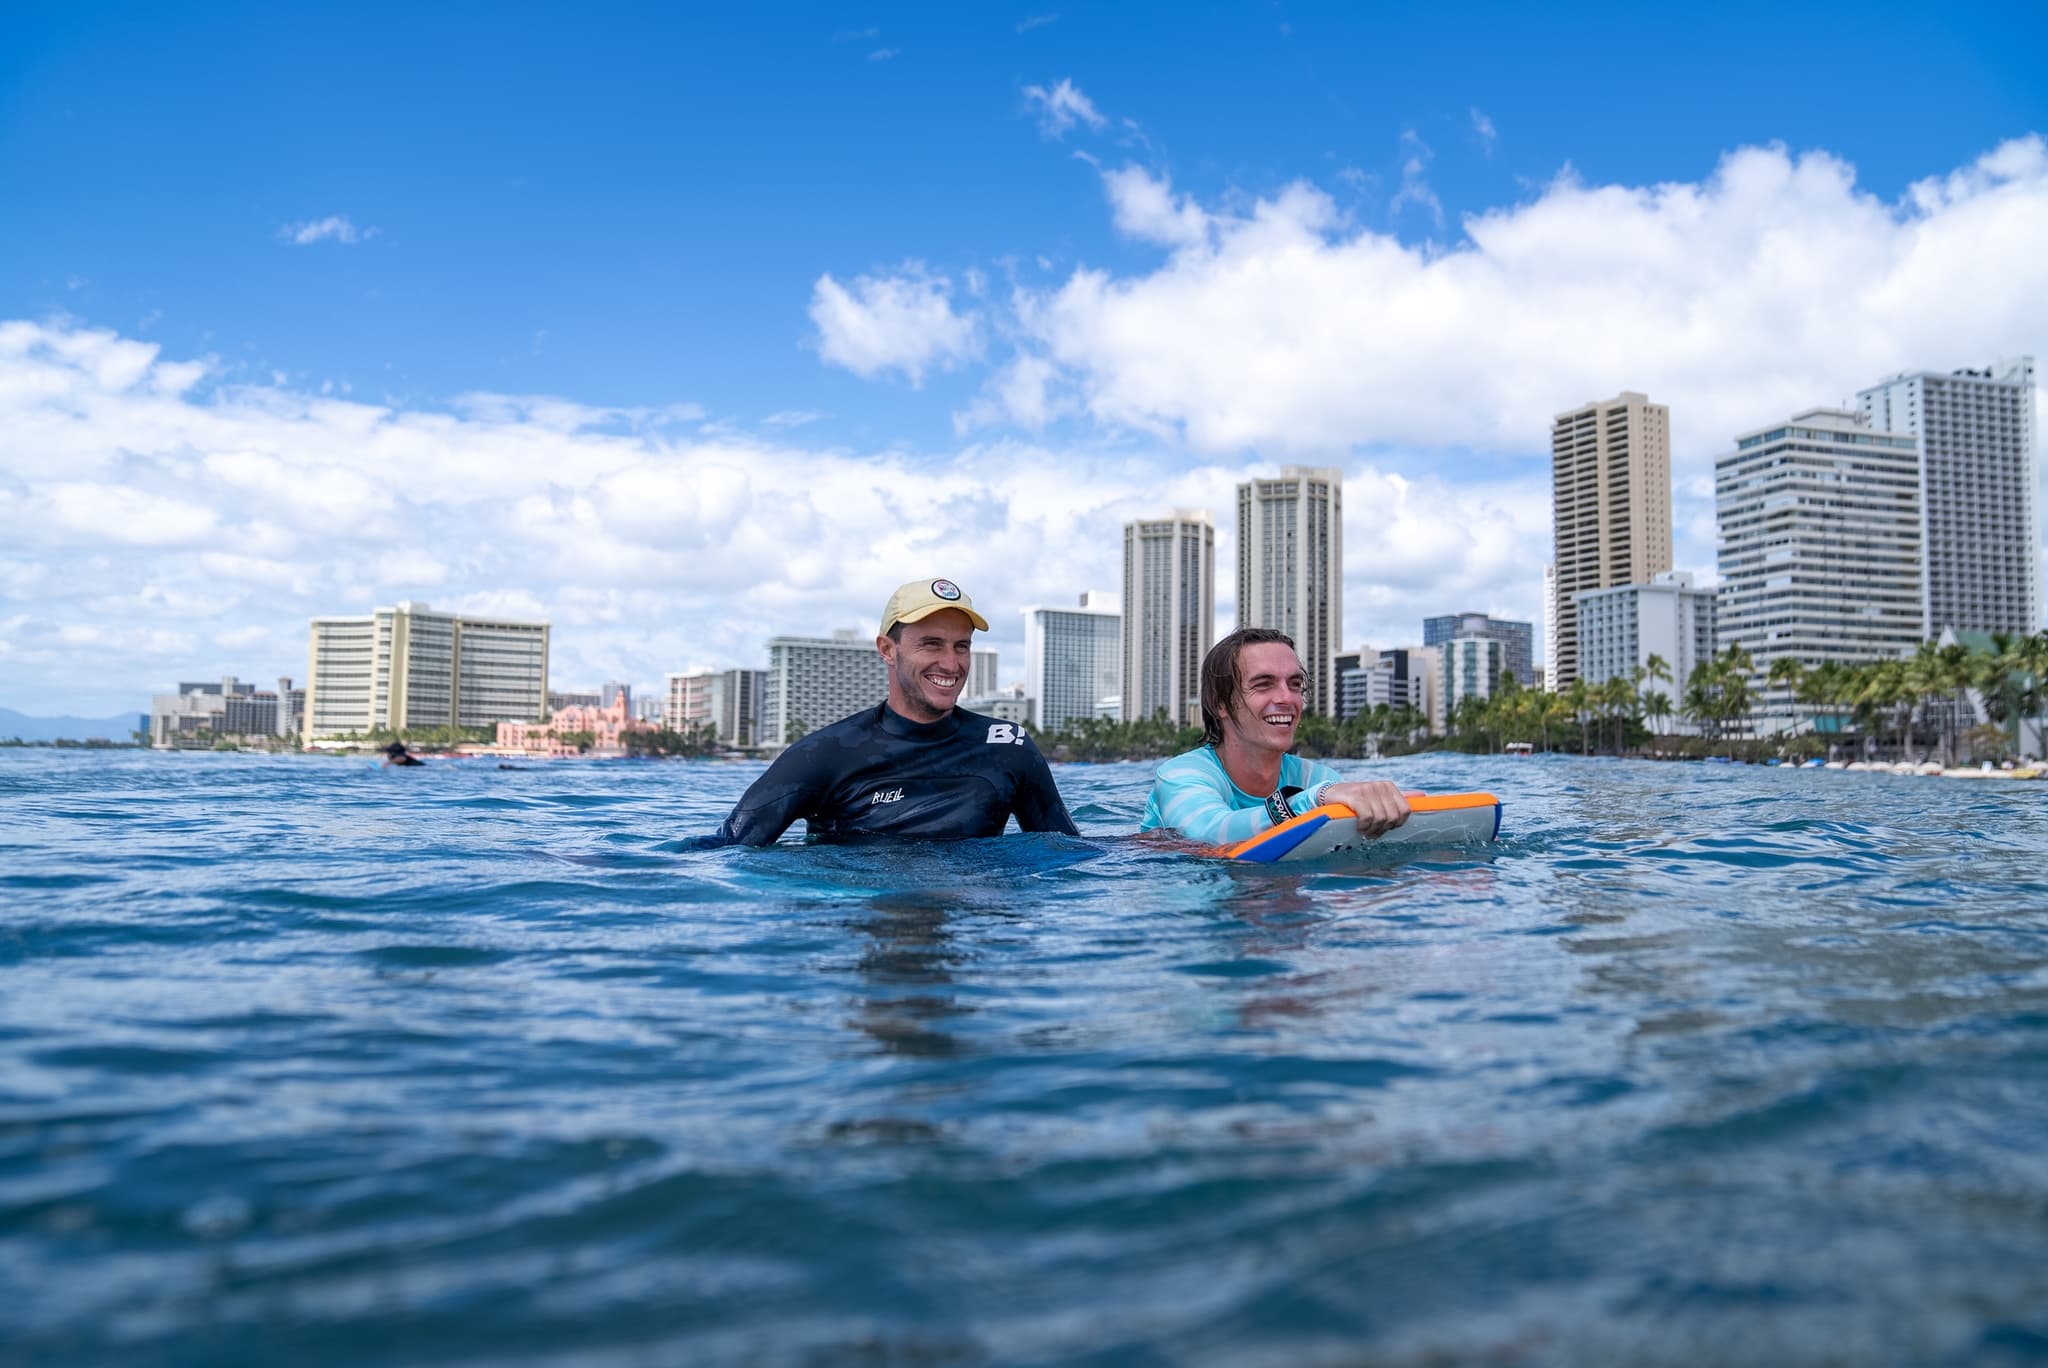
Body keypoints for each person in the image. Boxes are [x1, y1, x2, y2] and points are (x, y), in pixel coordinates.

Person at [713, 577, 1079, 845]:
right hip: (865, 915)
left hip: (972, 929)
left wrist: (1135, 848)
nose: (951, 664)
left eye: (961, 646)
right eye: (931, 645)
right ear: (887, 649)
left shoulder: (1008, 746)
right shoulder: (824, 755)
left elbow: (1066, 852)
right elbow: (726, 852)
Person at [1141, 627, 1409, 847]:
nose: (1286, 698)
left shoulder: (1316, 779)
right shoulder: (1180, 775)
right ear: (1219, 703)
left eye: (1294, 684)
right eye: (1263, 684)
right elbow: (1208, 835)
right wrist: (1313, 801)